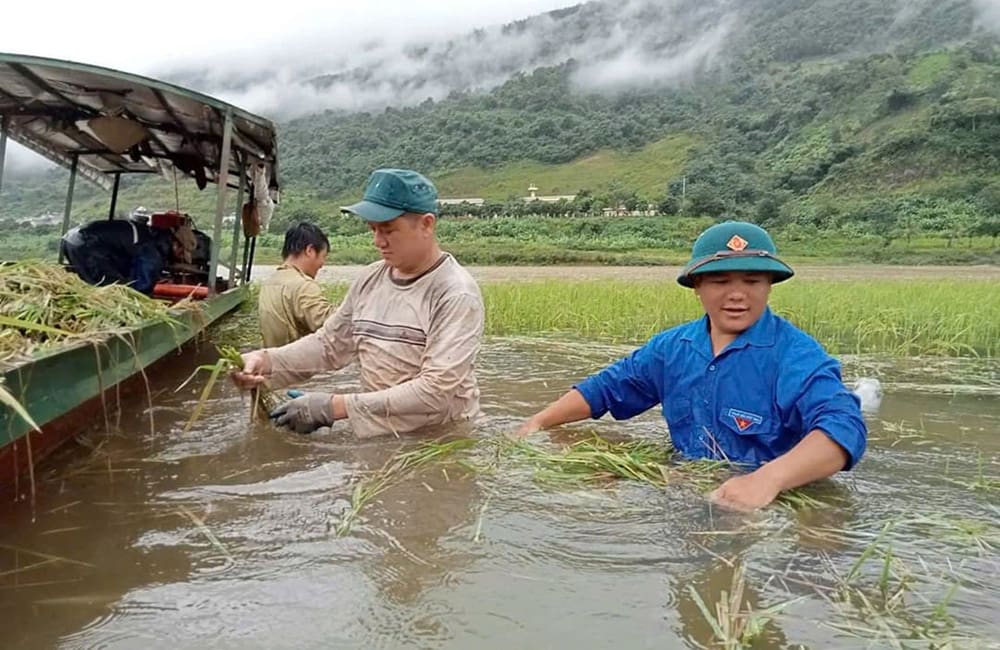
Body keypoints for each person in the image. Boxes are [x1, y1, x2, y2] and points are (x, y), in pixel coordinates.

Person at [517, 221, 867, 511]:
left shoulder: (795, 354)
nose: (737, 294)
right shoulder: (673, 348)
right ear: (697, 286)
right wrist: (538, 423)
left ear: (769, 286)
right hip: (692, 489)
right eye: (720, 281)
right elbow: (607, 388)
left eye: (752, 281)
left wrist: (767, 480)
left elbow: (844, 427)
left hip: (772, 502)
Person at [232, 168, 484, 438]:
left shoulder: (455, 294)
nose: (378, 241)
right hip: (376, 430)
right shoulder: (370, 279)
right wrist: (266, 361)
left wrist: (336, 406)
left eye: (388, 229)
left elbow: (435, 391)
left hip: (436, 443)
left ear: (426, 224)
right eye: (373, 229)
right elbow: (329, 344)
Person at [60, 217, 197, 295]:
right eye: (181, 253)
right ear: (175, 245)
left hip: (71, 239)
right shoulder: (152, 250)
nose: (180, 257)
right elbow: (141, 288)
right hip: (87, 244)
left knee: (91, 284)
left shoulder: (151, 235)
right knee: (113, 291)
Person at [258, 222, 337, 347]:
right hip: (298, 363)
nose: (322, 264)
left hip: (272, 360)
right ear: (310, 250)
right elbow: (332, 326)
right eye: (323, 256)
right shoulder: (303, 285)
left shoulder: (269, 283)